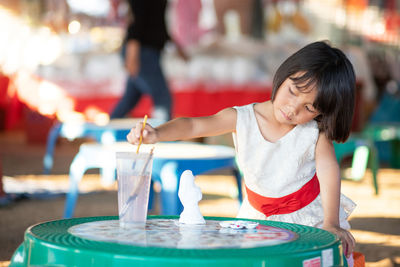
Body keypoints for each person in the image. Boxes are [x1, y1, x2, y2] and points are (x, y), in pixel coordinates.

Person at [127, 41, 357, 265]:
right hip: (255, 219)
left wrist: (330, 221)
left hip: (309, 218)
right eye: (293, 91)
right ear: (285, 74)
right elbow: (193, 126)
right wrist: (156, 133)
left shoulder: (315, 131)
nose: (292, 108)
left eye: (309, 107)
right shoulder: (242, 118)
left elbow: (328, 169)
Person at [110, 0, 186, 121]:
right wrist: (132, 53)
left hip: (147, 51)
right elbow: (137, 19)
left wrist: (176, 46)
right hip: (142, 51)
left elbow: (157, 20)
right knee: (162, 98)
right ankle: (163, 135)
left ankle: (110, 127)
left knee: (131, 98)